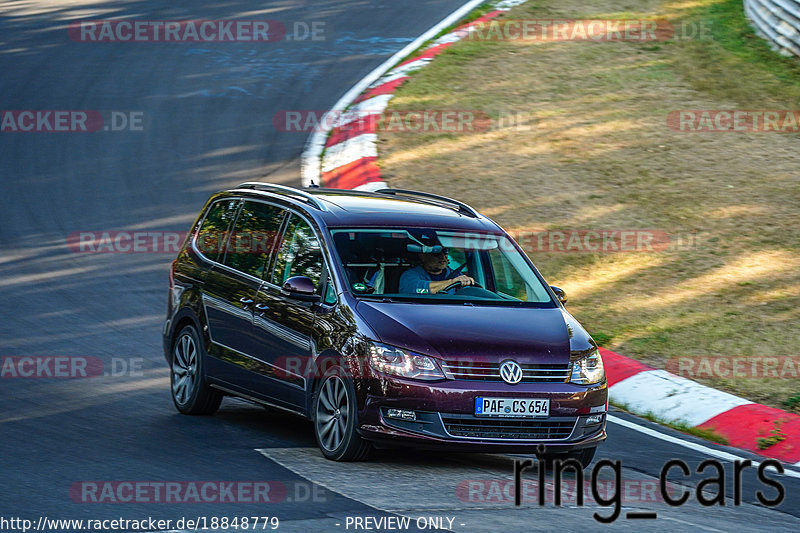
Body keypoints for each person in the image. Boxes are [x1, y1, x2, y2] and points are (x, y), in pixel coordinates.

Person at [398, 247, 475, 294]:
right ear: (423, 256)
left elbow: (469, 295)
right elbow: (419, 290)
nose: (442, 257)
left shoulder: (457, 276)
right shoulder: (409, 275)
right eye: (436, 253)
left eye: (445, 251)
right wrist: (451, 282)